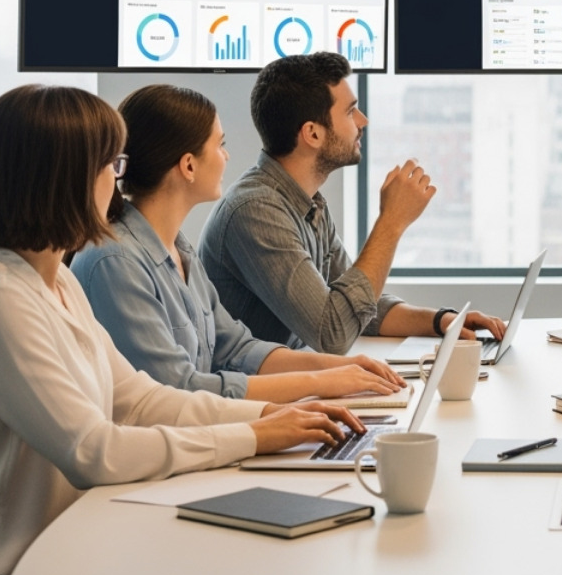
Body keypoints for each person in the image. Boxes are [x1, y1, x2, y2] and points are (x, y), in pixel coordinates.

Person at [0, 86, 361, 575]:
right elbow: (94, 451)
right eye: (110, 166)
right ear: (66, 177)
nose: (119, 181)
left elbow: (138, 399)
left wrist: (271, 418)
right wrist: (255, 436)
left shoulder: (56, 281)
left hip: (56, 557)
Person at [73, 84, 407, 402]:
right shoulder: (115, 262)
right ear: (188, 165)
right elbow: (177, 391)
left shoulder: (179, 250)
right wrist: (318, 383)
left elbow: (236, 349)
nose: (227, 156)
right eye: (220, 145)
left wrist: (341, 368)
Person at [201, 52, 504, 353]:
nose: (363, 121)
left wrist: (443, 321)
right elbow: (333, 333)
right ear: (313, 133)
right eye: (350, 112)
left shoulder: (309, 203)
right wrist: (392, 222)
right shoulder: (255, 212)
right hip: (253, 394)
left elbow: (357, 306)